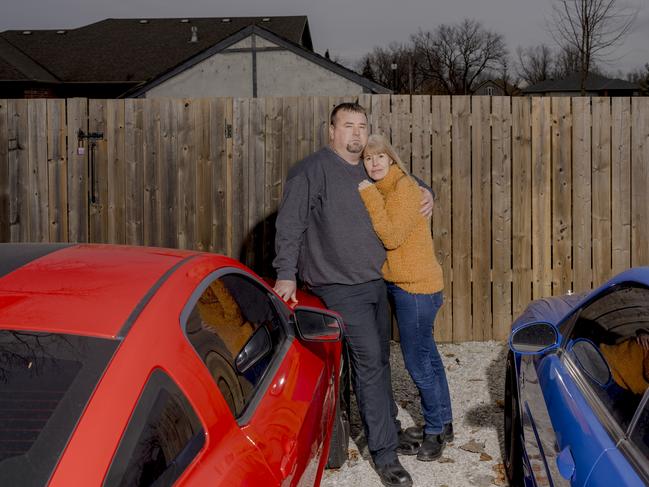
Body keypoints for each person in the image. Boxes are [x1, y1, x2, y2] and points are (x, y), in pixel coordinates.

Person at [273, 103, 433, 487]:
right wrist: (285, 275)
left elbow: (407, 182)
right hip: (338, 285)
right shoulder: (311, 170)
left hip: (376, 282)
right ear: (331, 131)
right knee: (372, 362)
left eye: (362, 126)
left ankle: (388, 430)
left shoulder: (369, 166)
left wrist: (429, 192)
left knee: (379, 359)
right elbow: (290, 224)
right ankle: (385, 455)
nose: (357, 134)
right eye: (348, 126)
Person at [358, 134, 453, 462]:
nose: (374, 163)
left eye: (380, 157)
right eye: (369, 159)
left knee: (416, 362)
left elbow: (392, 235)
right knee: (429, 355)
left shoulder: (401, 189)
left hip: (415, 289)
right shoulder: (394, 186)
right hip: (417, 285)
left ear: (392, 158)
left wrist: (368, 195)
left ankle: (434, 431)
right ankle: (446, 422)